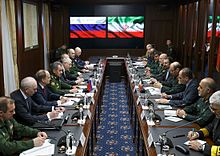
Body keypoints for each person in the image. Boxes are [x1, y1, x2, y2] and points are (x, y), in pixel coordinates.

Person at [187, 90, 220, 155]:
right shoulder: (218, 115)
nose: (212, 111)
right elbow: (211, 127)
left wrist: (202, 147)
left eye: (215, 109)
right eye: (211, 108)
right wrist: (198, 134)